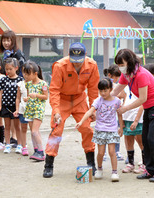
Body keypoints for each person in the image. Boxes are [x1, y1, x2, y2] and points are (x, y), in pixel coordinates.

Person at [111, 49, 154, 182]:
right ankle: (150, 170)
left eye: (122, 64)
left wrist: (125, 108)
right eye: (118, 64)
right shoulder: (126, 74)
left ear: (130, 62)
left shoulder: (141, 74)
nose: (120, 67)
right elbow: (116, 90)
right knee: (146, 140)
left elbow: (142, 98)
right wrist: (104, 100)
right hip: (150, 107)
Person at [43, 42, 100, 178]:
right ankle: (48, 164)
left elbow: (93, 89)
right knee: (56, 130)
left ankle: (91, 163)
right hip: (62, 100)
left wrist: (94, 109)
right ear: (69, 56)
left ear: (85, 56)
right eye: (74, 62)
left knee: (87, 129)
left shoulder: (92, 65)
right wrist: (56, 110)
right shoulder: (60, 66)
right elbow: (54, 89)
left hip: (80, 99)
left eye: (79, 62)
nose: (77, 65)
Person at [76, 78, 122, 182]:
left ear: (110, 89)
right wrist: (81, 121)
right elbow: (89, 112)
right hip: (100, 129)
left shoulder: (117, 101)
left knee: (112, 152)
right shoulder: (98, 100)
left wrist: (121, 127)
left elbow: (119, 114)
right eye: (100, 91)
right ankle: (99, 169)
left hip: (112, 129)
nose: (103, 93)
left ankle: (114, 172)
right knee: (101, 153)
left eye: (105, 90)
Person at [15, 60, 48, 160]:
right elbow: (30, 95)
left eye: (27, 73)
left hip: (38, 110)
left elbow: (45, 97)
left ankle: (41, 152)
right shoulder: (28, 84)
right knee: (32, 132)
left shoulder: (43, 83)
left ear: (35, 73)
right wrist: (27, 98)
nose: (25, 75)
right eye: (24, 73)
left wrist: (36, 95)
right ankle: (36, 150)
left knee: (34, 131)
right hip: (29, 110)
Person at [0, 58, 23, 154]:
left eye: (10, 69)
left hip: (16, 107)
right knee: (6, 126)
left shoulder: (20, 80)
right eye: (6, 69)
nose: (8, 71)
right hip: (5, 106)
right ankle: (7, 144)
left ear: (16, 68)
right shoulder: (3, 79)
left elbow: (22, 94)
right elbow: (0, 93)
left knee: (17, 127)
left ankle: (20, 145)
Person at [103, 64, 126, 161]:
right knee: (103, 133)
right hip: (105, 114)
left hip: (115, 114)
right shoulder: (104, 85)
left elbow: (123, 95)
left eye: (118, 76)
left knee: (116, 132)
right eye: (116, 76)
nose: (117, 78)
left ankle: (117, 151)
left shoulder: (118, 86)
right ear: (109, 75)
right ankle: (103, 152)